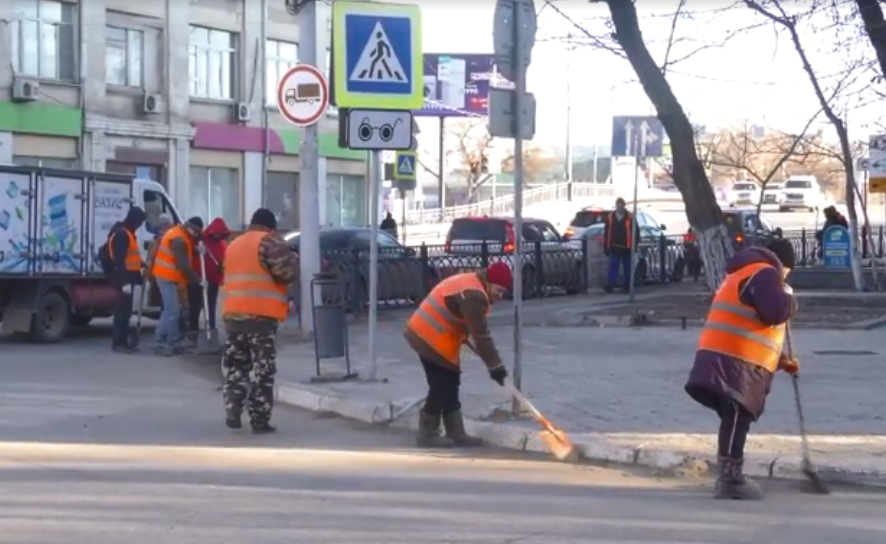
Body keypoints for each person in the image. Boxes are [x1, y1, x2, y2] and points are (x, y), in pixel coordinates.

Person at [684, 239, 799, 500]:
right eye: (788, 272)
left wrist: (780, 360)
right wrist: (790, 299)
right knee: (737, 413)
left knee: (733, 414)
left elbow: (751, 323)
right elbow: (776, 311)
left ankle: (729, 474)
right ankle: (730, 478)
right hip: (733, 359)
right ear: (783, 264)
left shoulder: (744, 272)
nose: (786, 278)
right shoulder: (765, 272)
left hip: (725, 356)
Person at [404, 262, 513, 448]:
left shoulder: (474, 284)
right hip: (428, 336)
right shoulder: (474, 295)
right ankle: (427, 434)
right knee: (441, 385)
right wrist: (496, 368)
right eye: (499, 290)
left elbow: (466, 323)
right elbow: (481, 336)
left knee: (451, 381)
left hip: (437, 336)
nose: (499, 296)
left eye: (503, 292)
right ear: (490, 282)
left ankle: (457, 433)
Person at [222, 208, 298, 434]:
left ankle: (232, 408)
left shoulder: (234, 244)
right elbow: (287, 273)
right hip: (260, 318)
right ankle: (259, 418)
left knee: (236, 366)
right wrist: (293, 259)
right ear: (270, 226)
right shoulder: (270, 243)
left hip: (233, 316)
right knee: (262, 370)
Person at [150, 216, 203, 356]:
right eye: (196, 232)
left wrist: (195, 249)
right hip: (166, 276)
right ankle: (159, 342)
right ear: (191, 228)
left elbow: (183, 251)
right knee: (171, 310)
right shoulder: (178, 238)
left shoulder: (180, 233)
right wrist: (198, 280)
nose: (196, 235)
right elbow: (183, 265)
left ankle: (173, 341)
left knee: (176, 310)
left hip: (170, 276)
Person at [108, 206, 146, 353]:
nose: (139, 226)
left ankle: (122, 341)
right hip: (124, 279)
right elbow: (120, 260)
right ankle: (119, 342)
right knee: (122, 311)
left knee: (126, 311)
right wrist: (124, 283)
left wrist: (141, 263)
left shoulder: (128, 233)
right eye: (139, 222)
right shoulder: (123, 235)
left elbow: (130, 256)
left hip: (128, 277)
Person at [188, 217, 230, 336]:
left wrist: (221, 270)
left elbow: (222, 260)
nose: (217, 237)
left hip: (213, 279)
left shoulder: (222, 244)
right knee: (195, 305)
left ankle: (211, 328)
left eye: (220, 235)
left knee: (211, 305)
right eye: (216, 234)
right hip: (198, 277)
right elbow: (189, 249)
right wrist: (196, 249)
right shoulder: (201, 239)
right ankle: (193, 330)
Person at [603, 198, 638, 293]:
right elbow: (607, 232)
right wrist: (606, 246)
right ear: (616, 205)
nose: (620, 207)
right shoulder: (610, 217)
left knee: (627, 267)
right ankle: (611, 285)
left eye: (621, 205)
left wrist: (634, 246)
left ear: (624, 205)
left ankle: (627, 286)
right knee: (613, 266)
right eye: (618, 204)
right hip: (614, 247)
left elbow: (636, 232)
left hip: (627, 247)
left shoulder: (630, 217)